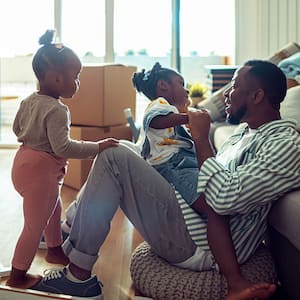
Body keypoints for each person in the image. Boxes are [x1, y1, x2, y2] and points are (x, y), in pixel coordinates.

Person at [33, 60, 300, 300]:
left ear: (257, 96)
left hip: (204, 244)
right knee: (120, 147)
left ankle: (77, 273)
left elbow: (222, 199)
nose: (226, 93)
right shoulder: (242, 134)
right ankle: (71, 230)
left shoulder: (285, 143)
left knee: (113, 156)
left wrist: (200, 139)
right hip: (191, 218)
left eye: (234, 86)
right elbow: (210, 174)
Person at [131, 62, 268, 297]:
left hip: (183, 163)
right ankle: (232, 278)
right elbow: (155, 121)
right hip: (174, 166)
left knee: (214, 201)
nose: (185, 90)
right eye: (180, 84)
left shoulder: (170, 107)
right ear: (163, 87)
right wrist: (187, 118)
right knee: (214, 204)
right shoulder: (159, 105)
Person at [6, 30, 119, 289]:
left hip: (22, 163)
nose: (77, 82)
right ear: (57, 79)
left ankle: (55, 249)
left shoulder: (28, 101)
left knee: (54, 207)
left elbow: (16, 129)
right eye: (76, 76)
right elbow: (64, 146)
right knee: (34, 227)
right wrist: (97, 147)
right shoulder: (57, 110)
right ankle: (17, 275)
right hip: (41, 171)